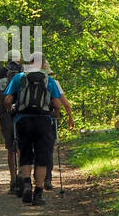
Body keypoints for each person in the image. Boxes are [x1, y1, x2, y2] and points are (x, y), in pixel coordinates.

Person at [4, 58, 74, 206]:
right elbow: (57, 104)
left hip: (23, 120)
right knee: (42, 157)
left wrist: (11, 110)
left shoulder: (19, 78)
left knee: (25, 154)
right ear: (43, 65)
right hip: (44, 121)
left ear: (29, 63)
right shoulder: (50, 80)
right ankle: (38, 192)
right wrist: (56, 113)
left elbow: (8, 99)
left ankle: (27, 184)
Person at [0, 56, 23, 192]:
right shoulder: (25, 78)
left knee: (11, 149)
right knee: (22, 147)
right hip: (23, 115)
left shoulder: (0, 81)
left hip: (6, 116)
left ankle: (13, 179)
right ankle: (23, 176)